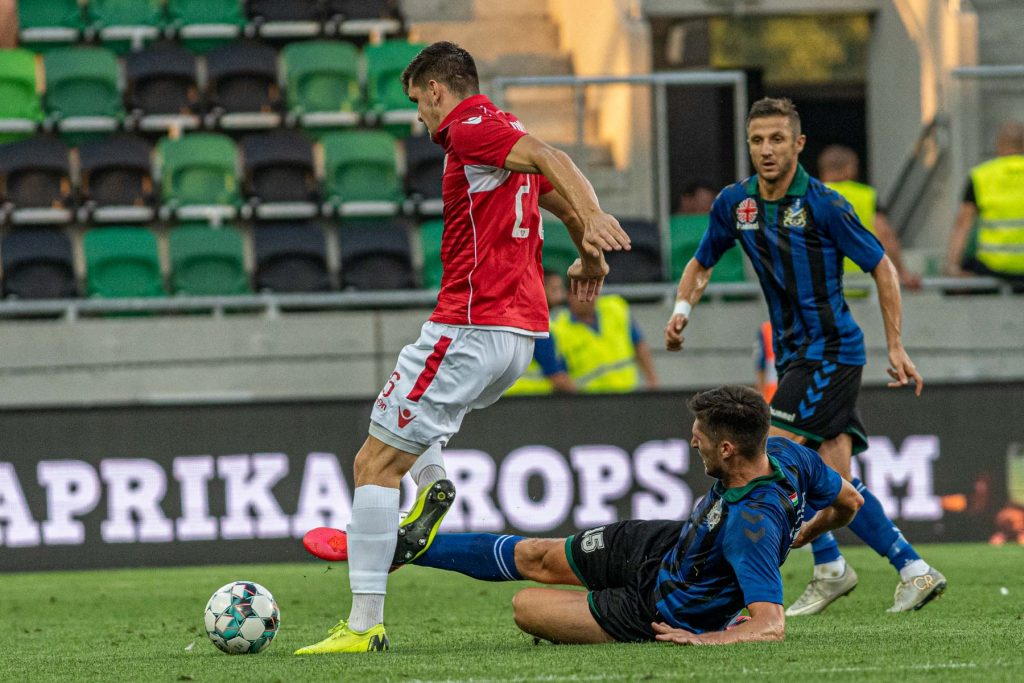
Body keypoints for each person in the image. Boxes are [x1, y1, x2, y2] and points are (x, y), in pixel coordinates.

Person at [294, 41, 631, 655]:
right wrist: (588, 253)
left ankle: (363, 626)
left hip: (471, 326)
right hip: (518, 338)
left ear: (437, 90)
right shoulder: (503, 132)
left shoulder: (470, 128)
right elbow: (554, 197)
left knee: (373, 464)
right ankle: (432, 484)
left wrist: (597, 214)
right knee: (405, 418)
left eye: (418, 102)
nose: (420, 117)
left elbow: (555, 159)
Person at [664, 97, 946, 617]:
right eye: (757, 140)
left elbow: (882, 266)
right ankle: (902, 568)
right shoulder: (736, 203)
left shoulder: (825, 204)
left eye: (777, 139)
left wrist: (896, 345)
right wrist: (683, 309)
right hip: (795, 354)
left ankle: (804, 571)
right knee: (834, 482)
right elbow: (702, 262)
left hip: (831, 352)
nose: (766, 150)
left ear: (798, 144)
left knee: (767, 454)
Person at [303, 386, 864, 645]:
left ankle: (382, 546)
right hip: (663, 547)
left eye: (699, 437)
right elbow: (850, 502)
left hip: (659, 609)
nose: (691, 442)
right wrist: (806, 532)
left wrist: (709, 640)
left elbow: (771, 624)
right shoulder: (788, 454)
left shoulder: (752, 527)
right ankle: (399, 545)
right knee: (537, 555)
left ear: (727, 449)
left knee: (527, 607)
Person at [817, 144, 921, 290]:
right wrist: (902, 272)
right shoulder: (866, 195)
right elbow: (885, 235)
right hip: (864, 283)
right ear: (849, 168)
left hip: (824, 285)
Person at [944, 120, 1024, 289]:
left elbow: (963, 224)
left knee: (961, 277)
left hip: (993, 268)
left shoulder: (981, 176)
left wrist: (952, 268)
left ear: (999, 145)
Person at [548, 289, 659, 393]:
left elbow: (638, 344)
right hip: (591, 400)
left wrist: (652, 380)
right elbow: (559, 375)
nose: (590, 298)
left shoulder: (614, 309)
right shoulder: (559, 330)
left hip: (627, 393)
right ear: (569, 296)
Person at [505, 270, 576, 394]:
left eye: (561, 289)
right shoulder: (537, 326)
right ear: (540, 290)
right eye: (554, 290)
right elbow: (557, 377)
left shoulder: (525, 319)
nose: (562, 296)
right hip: (527, 396)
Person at [754, 320, 777, 403]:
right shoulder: (766, 329)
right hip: (772, 395)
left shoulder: (766, 329)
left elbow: (760, 367)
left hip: (771, 397)